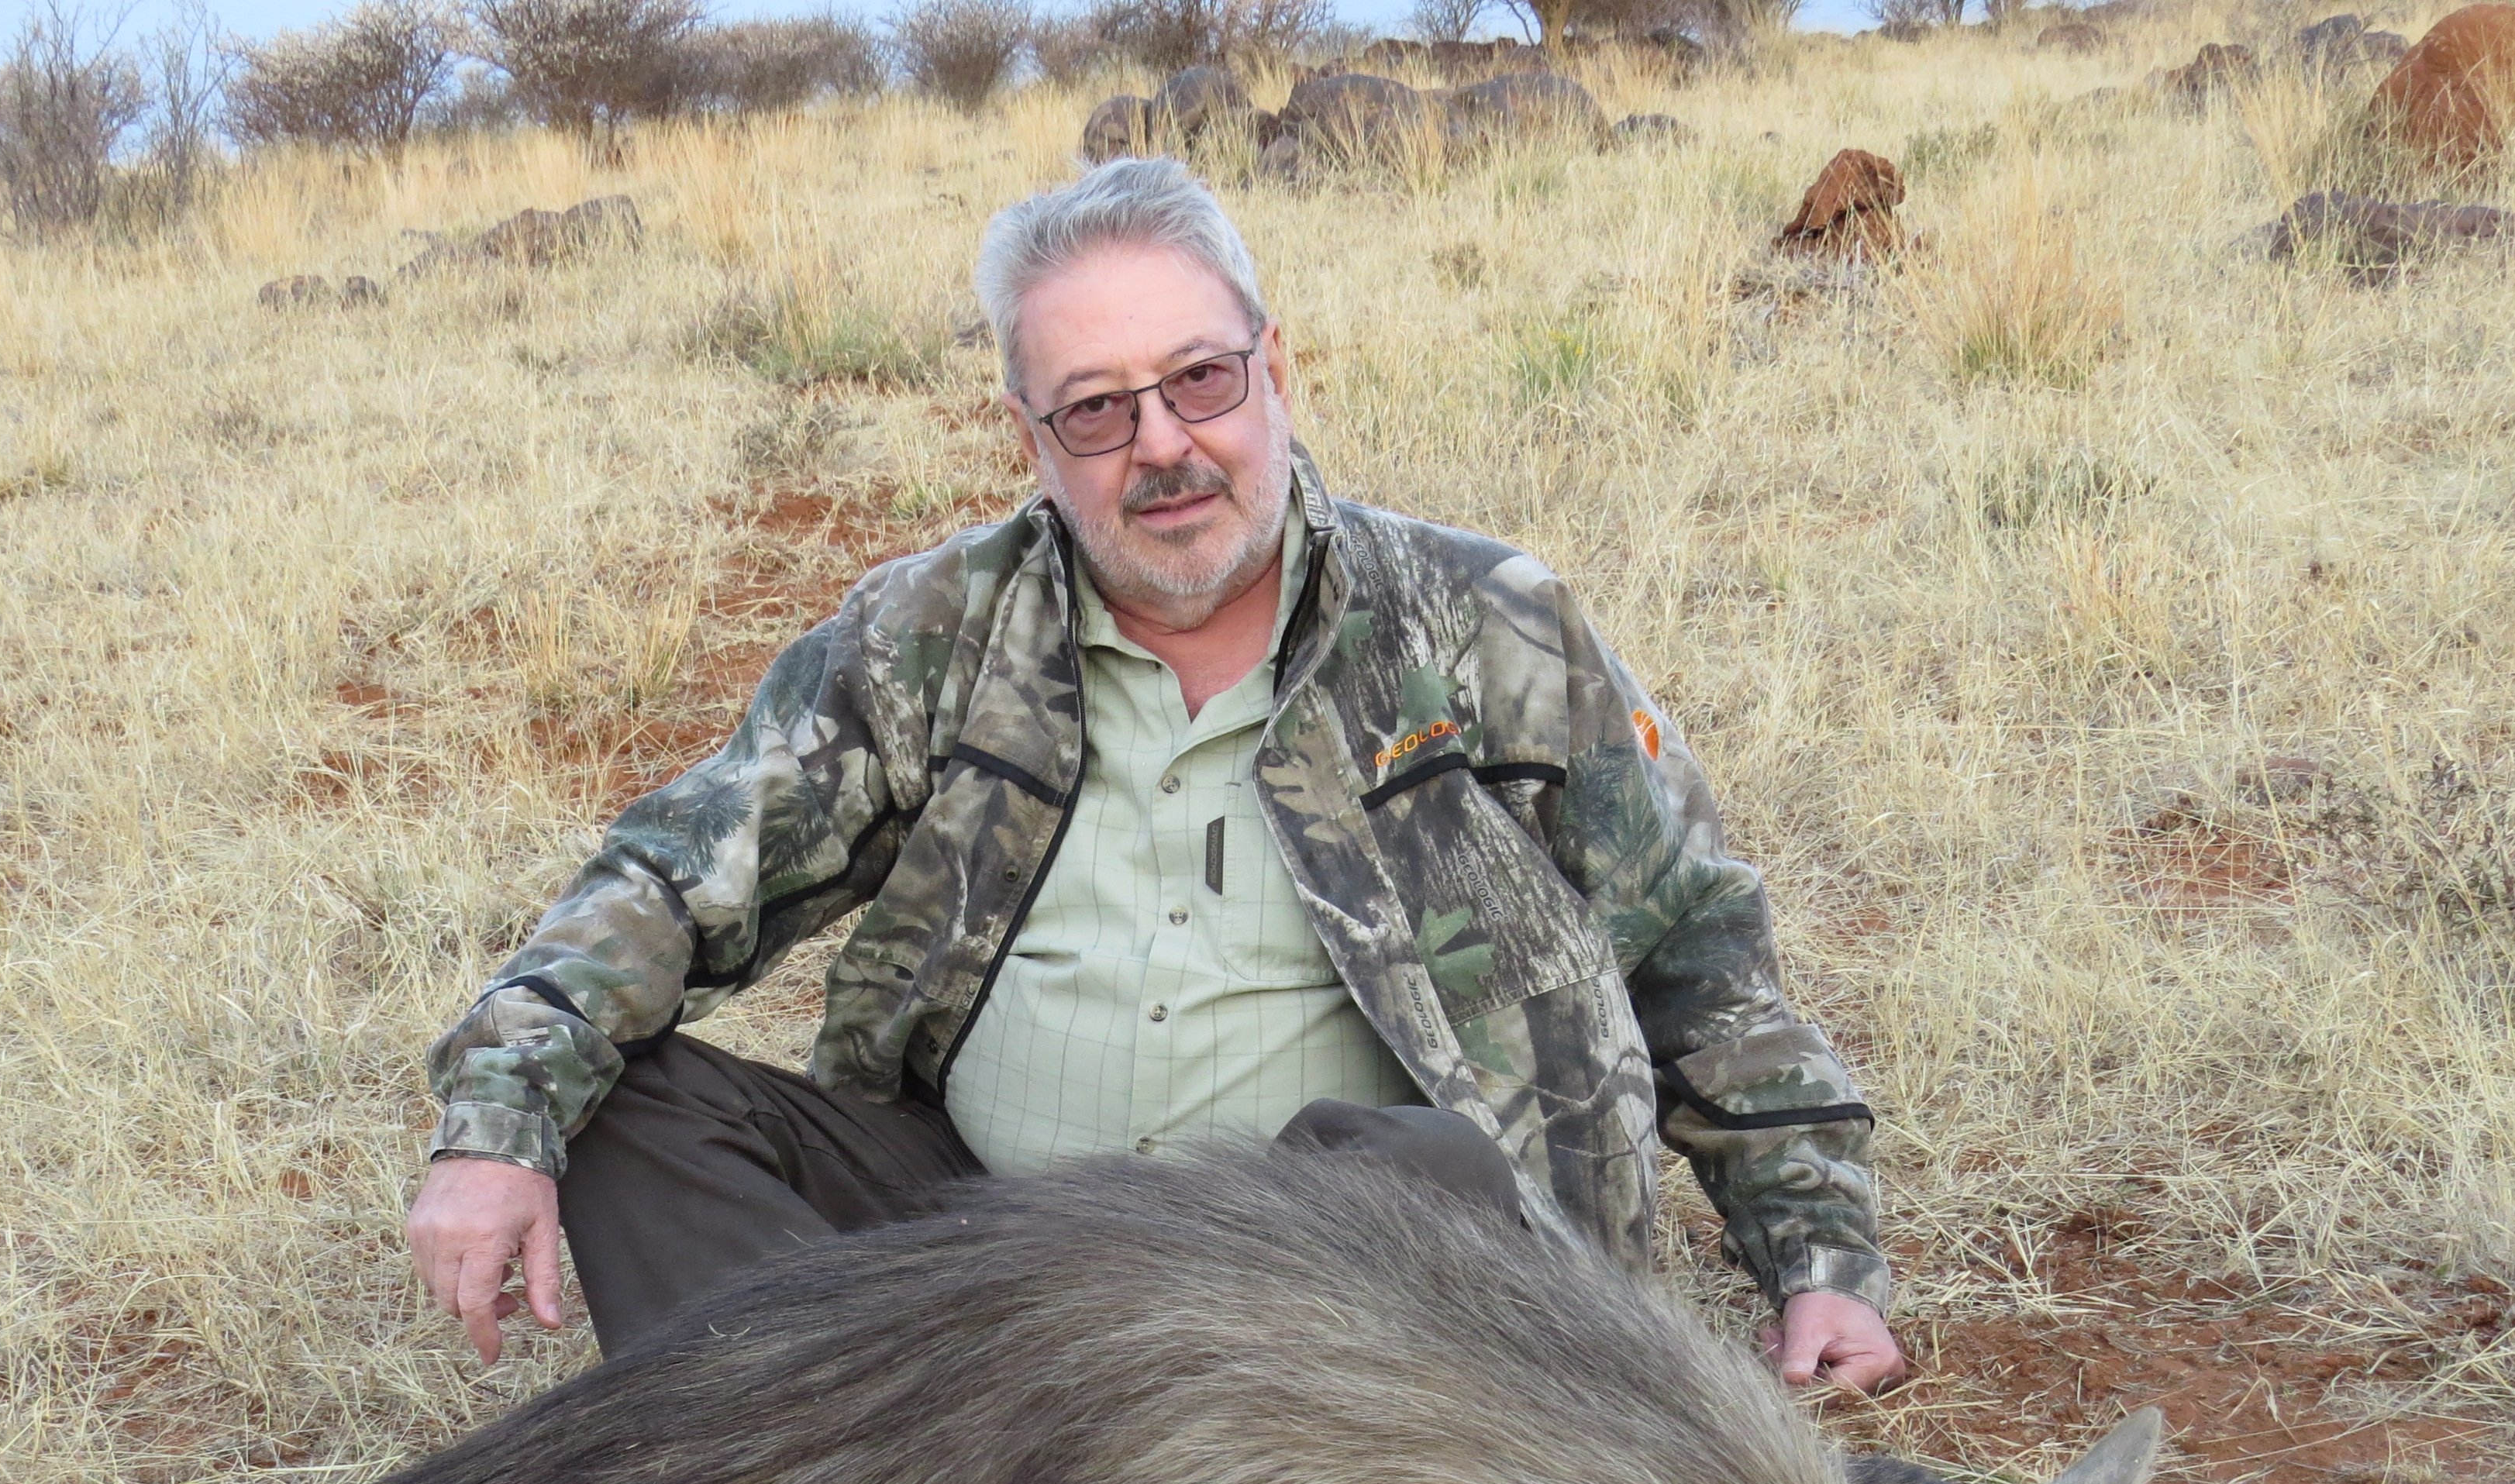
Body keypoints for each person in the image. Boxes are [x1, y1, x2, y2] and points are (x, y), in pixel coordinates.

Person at [406, 157, 1903, 1390]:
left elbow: (1697, 944)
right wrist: (495, 1124)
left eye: (1199, 380)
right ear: (1032, 438)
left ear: (1276, 373)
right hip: (995, 1249)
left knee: (1426, 1165)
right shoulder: (931, 633)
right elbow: (678, 873)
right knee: (632, 1101)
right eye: (1099, 409)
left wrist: (1819, 1262)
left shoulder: (1490, 622)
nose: (1165, 446)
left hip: (1356, 1277)